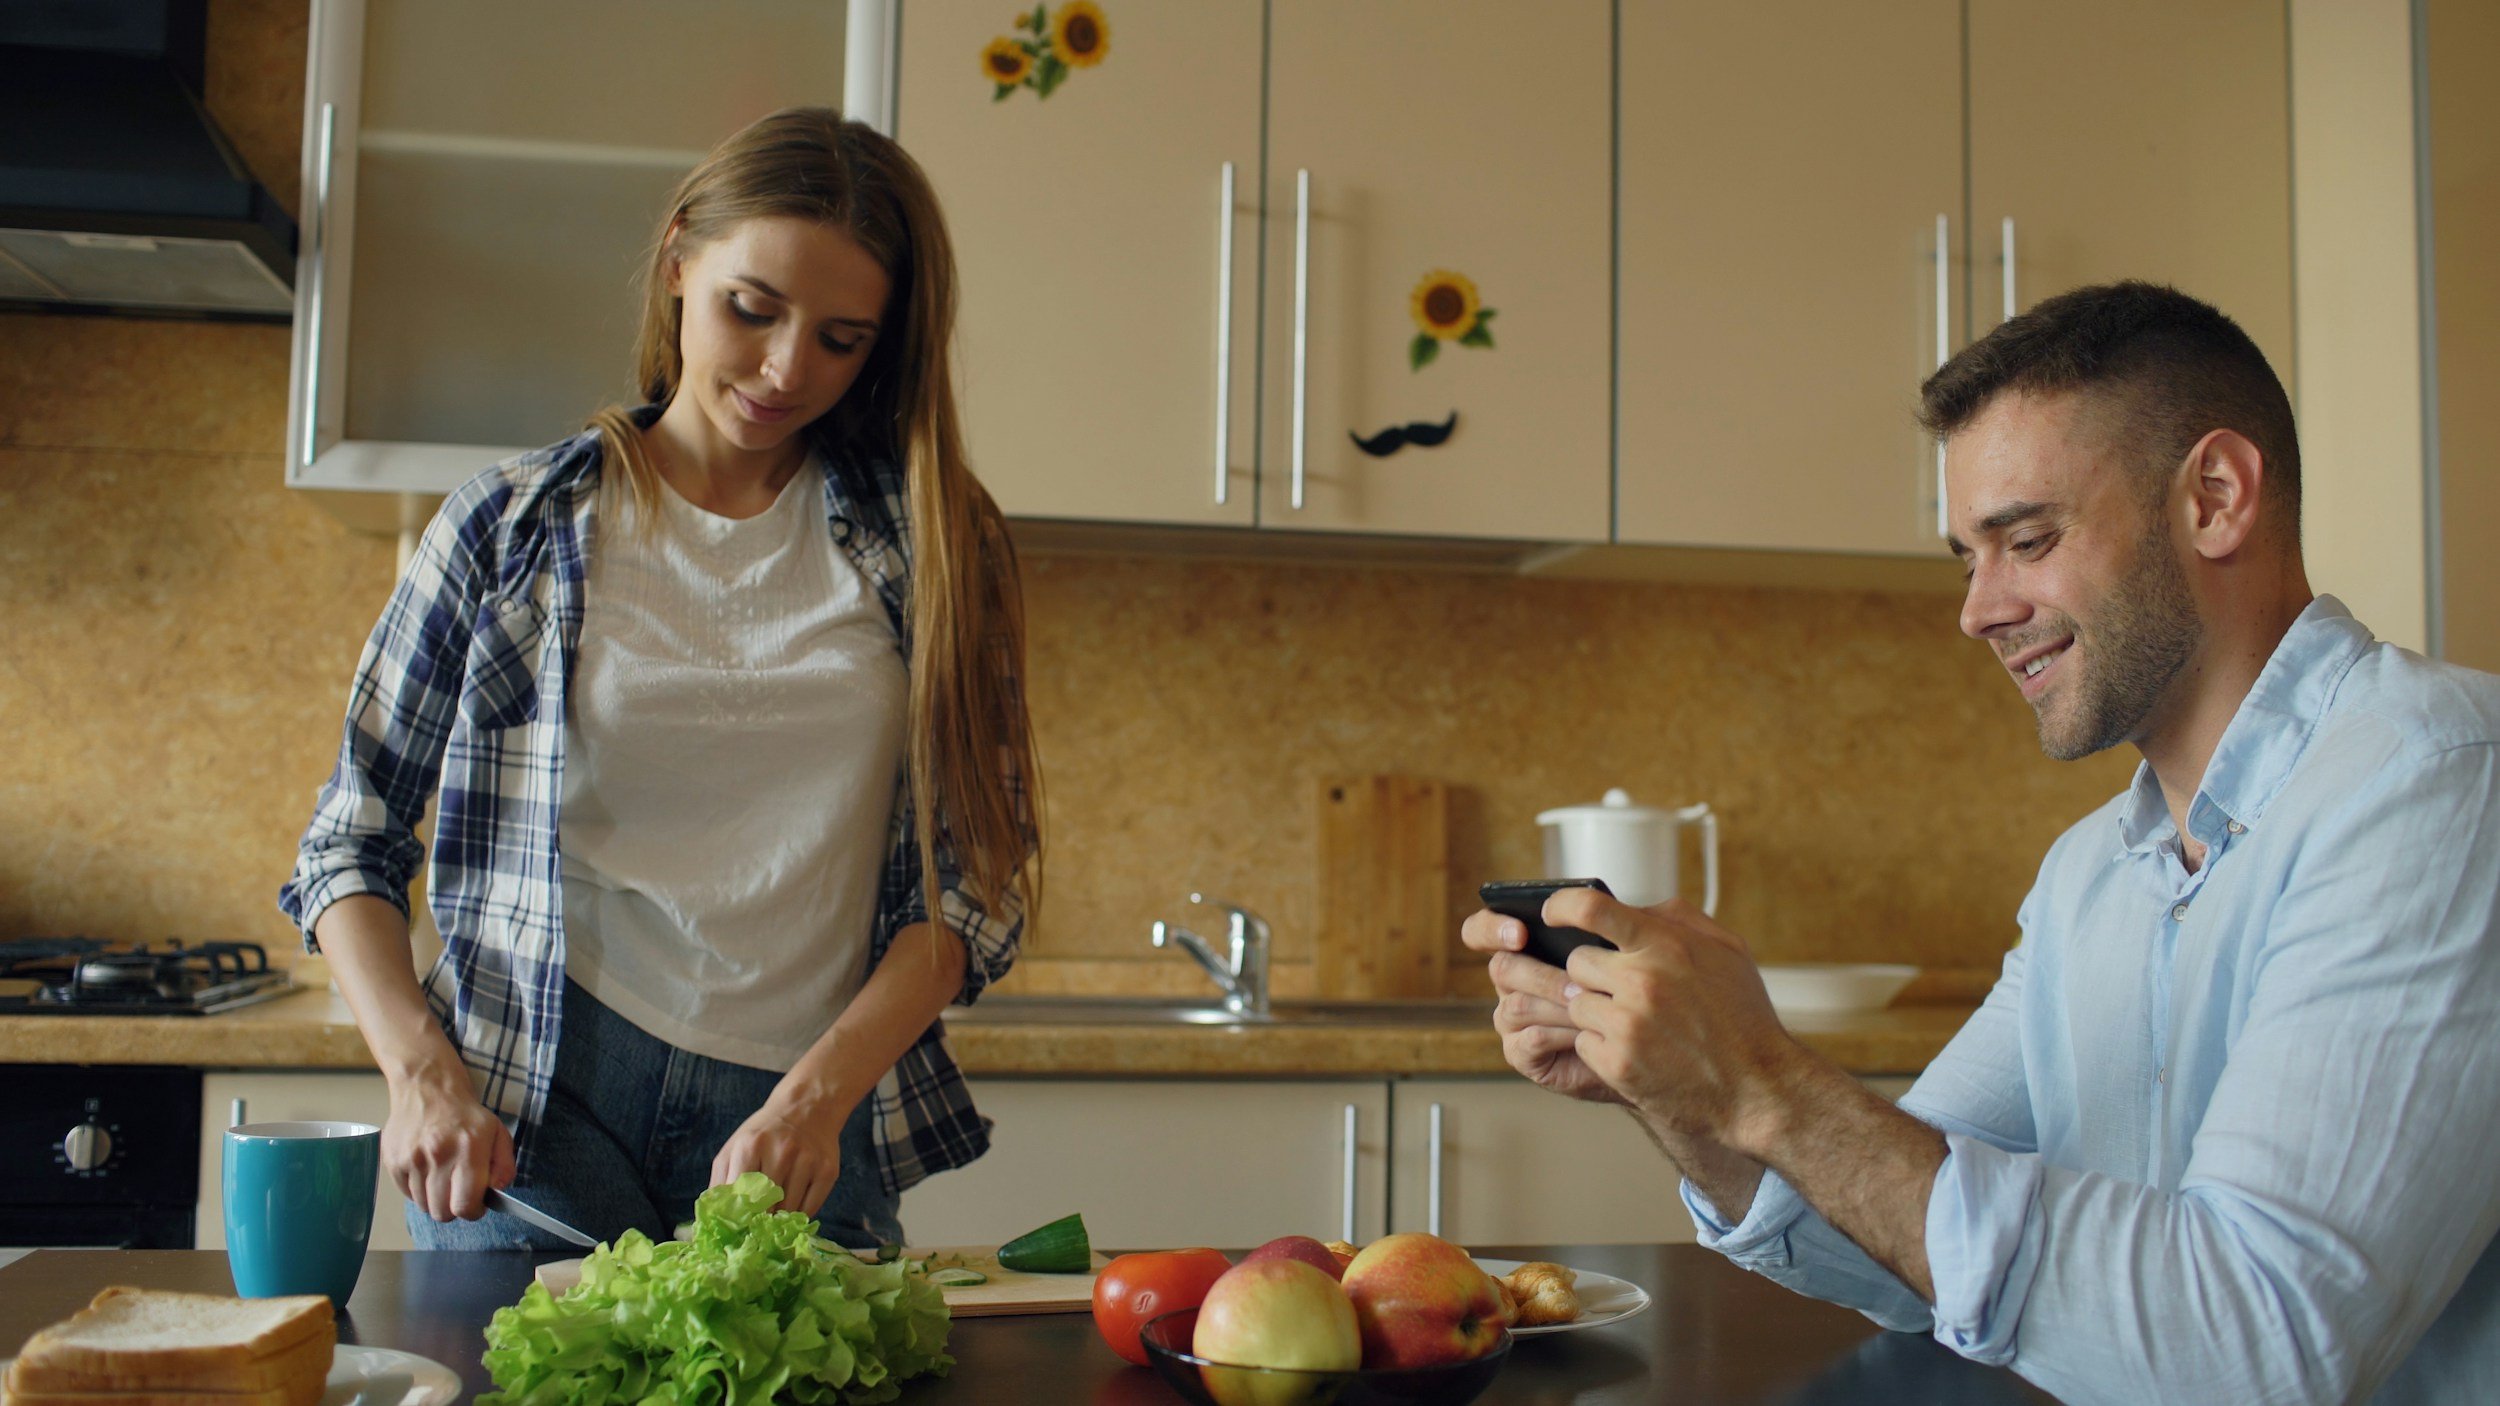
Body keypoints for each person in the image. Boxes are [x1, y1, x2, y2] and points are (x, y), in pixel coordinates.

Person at [1465, 281, 2500, 1403]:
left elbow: (2253, 1344)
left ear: (2213, 496)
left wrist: (1760, 1075)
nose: (1976, 608)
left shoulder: (2436, 779)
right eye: (1968, 555)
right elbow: (1898, 1231)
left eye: (2028, 539)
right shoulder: (2088, 876)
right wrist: (1683, 1087)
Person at [281, 108, 1042, 1252]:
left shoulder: (935, 543)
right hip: (541, 1096)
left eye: (841, 338)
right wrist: (421, 1074)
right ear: (680, 259)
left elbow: (969, 879)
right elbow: (352, 836)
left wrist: (816, 1097)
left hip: (797, 1112)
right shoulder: (509, 524)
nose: (787, 369)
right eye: (753, 309)